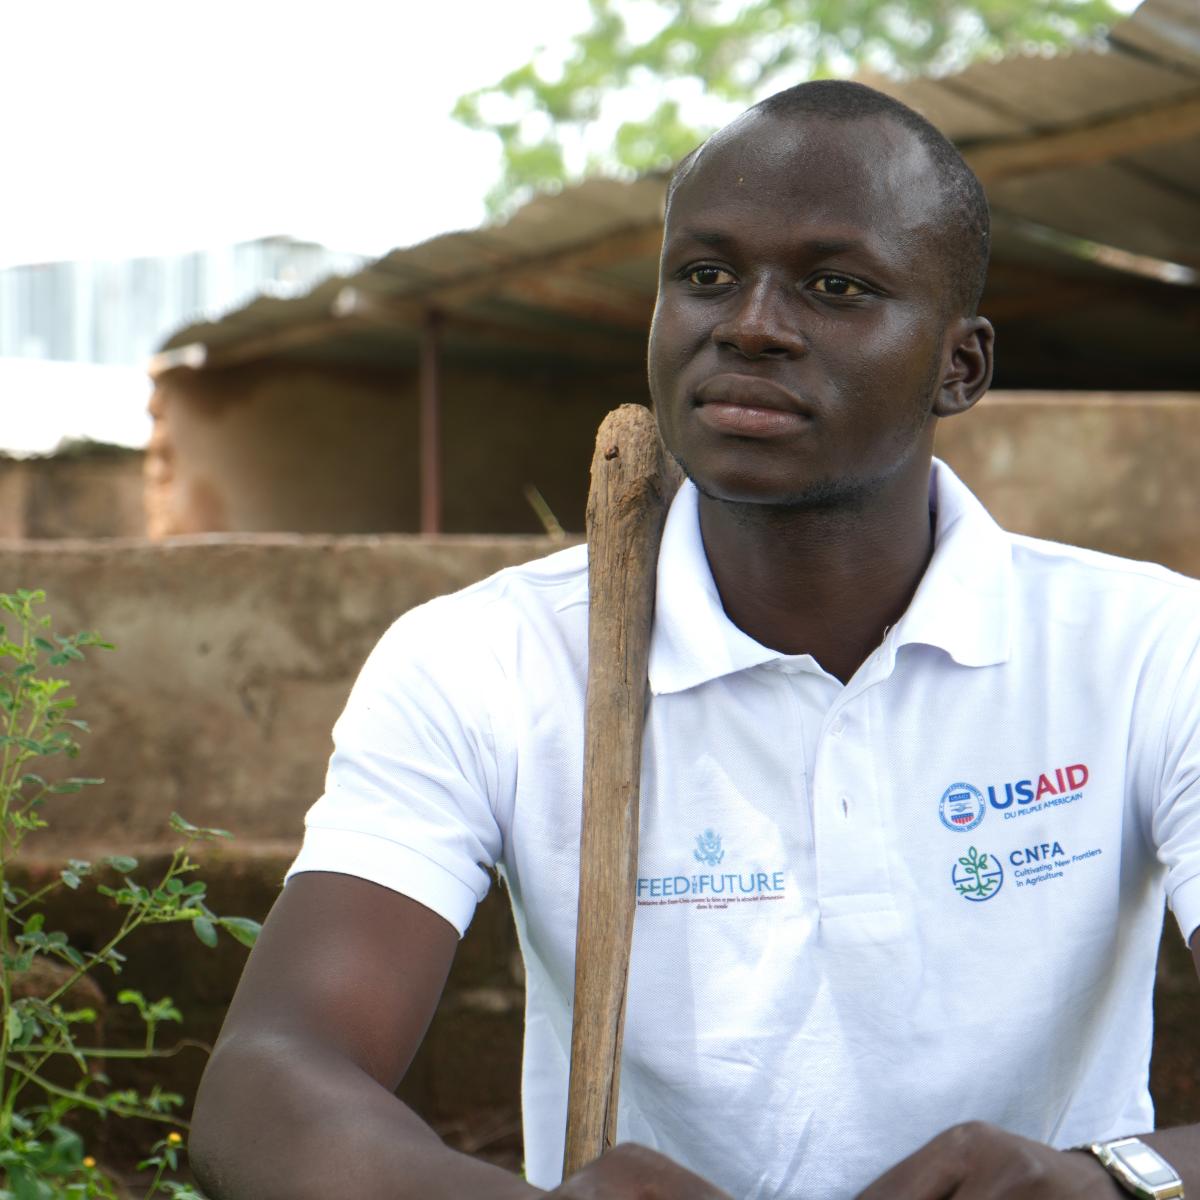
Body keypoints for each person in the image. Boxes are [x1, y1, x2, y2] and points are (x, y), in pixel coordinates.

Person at [190, 80, 1200, 1199]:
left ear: (960, 366)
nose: (752, 323)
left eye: (836, 286)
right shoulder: (483, 663)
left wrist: (1110, 1182)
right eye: (706, 275)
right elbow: (270, 1079)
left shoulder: (1150, 652)